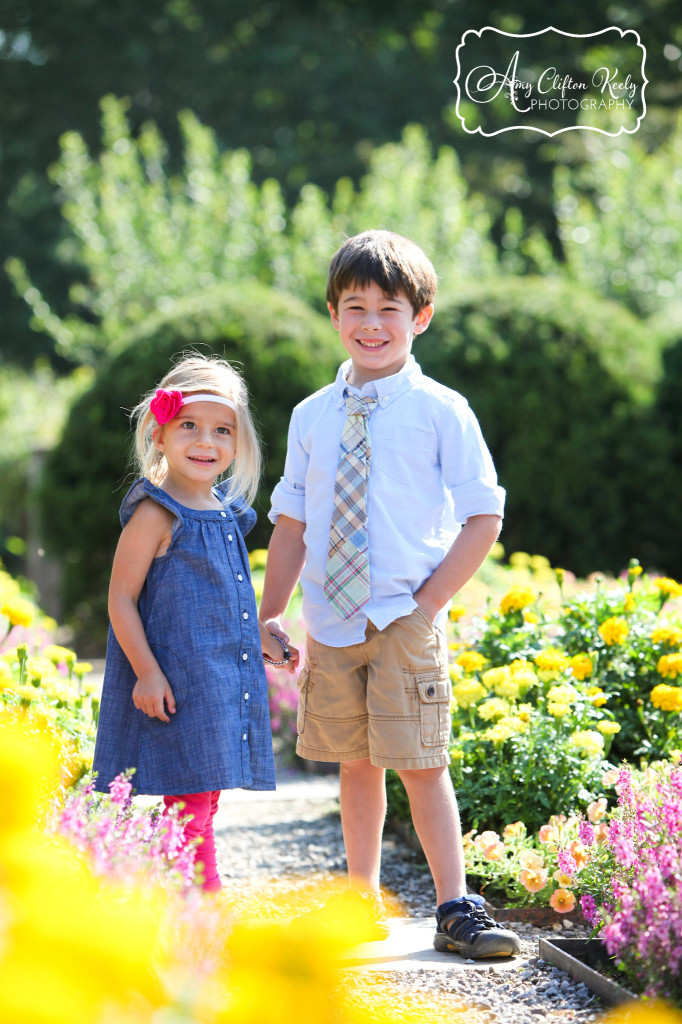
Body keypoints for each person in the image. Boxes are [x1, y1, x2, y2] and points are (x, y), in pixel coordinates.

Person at [260, 230, 521, 957]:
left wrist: (430, 603)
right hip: (331, 617)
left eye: (389, 308)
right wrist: (271, 610)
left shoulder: (442, 409)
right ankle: (361, 898)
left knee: (422, 762)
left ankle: (454, 905)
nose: (371, 323)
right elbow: (292, 520)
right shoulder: (312, 415)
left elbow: (484, 514)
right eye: (355, 306)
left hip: (407, 610)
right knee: (355, 761)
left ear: (422, 316)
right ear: (334, 315)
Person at [92, 353, 294, 892]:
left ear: (239, 443)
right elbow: (120, 599)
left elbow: (229, 601)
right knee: (192, 798)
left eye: (222, 431)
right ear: (160, 433)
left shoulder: (226, 513)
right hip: (178, 681)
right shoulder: (156, 513)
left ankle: (167, 875)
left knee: (205, 796)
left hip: (219, 683)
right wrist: (146, 673)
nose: (206, 442)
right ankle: (199, 908)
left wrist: (263, 638)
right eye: (190, 427)